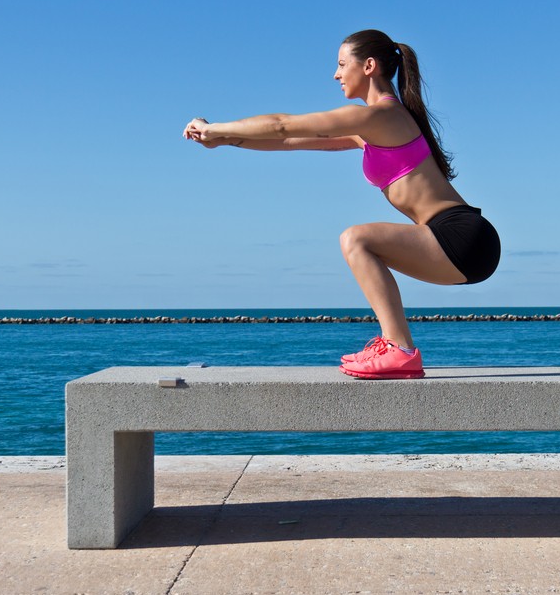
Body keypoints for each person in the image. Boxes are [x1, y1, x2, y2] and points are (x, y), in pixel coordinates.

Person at [183, 29, 500, 379]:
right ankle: (397, 347)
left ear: (368, 66)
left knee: (356, 239)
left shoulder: (381, 117)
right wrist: (224, 140)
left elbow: (280, 123)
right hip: (459, 241)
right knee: (357, 240)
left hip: (462, 236)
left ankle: (399, 348)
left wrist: (214, 128)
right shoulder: (370, 127)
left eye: (341, 64)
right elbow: (288, 139)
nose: (335, 74)